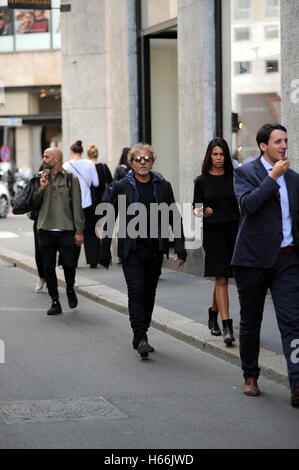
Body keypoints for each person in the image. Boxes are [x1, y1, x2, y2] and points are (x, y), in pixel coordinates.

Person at [232, 123, 299, 407]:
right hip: (252, 261)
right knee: (251, 323)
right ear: (263, 146)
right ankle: (250, 376)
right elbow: (248, 205)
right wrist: (272, 177)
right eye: (277, 141)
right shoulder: (244, 173)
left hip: (287, 260)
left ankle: (297, 383)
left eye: (286, 140)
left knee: (293, 323)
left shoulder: (295, 179)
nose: (284, 146)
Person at [100, 142, 187, 359]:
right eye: (138, 159)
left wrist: (180, 247)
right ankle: (141, 337)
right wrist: (104, 251)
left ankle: (141, 331)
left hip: (155, 249)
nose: (143, 163)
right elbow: (110, 218)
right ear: (131, 163)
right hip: (132, 250)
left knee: (149, 294)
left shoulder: (163, 186)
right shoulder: (121, 186)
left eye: (147, 159)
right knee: (136, 292)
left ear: (152, 161)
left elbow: (173, 217)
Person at [193, 137, 239, 347]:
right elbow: (195, 207)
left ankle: (213, 313)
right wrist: (205, 210)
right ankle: (227, 326)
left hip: (234, 230)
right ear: (209, 156)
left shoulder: (234, 177)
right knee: (221, 278)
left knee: (223, 278)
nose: (218, 158)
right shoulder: (201, 181)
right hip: (213, 232)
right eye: (215, 154)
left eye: (221, 154)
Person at [31, 148, 85, 315]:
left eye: (47, 156)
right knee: (48, 268)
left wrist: (79, 231)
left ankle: (69, 287)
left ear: (56, 160)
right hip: (44, 229)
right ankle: (55, 301)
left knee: (69, 264)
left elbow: (77, 207)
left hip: (66, 230)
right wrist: (41, 188)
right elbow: (32, 203)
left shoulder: (71, 179)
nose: (44, 159)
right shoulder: (39, 178)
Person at [63, 140, 99, 268]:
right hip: (87, 202)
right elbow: (96, 183)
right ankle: (93, 259)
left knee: (74, 231)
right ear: (82, 152)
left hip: (73, 204)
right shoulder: (89, 163)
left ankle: (72, 261)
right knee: (90, 231)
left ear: (71, 152)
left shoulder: (66, 165)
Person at [86, 143, 112, 267]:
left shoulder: (87, 167)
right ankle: (104, 254)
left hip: (90, 202)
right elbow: (111, 183)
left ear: (88, 155)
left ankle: (93, 259)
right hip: (103, 201)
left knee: (91, 230)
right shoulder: (103, 167)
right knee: (102, 229)